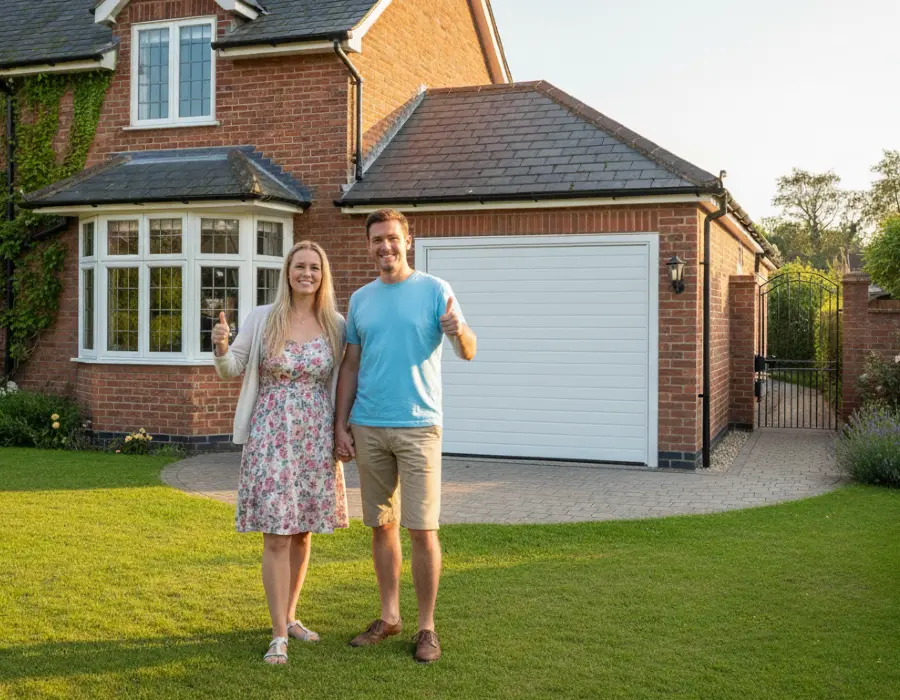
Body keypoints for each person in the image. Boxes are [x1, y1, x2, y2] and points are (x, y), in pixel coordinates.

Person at [334, 209, 477, 664]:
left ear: (407, 241)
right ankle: (389, 616)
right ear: (369, 245)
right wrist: (341, 424)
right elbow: (350, 366)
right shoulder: (360, 300)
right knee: (381, 526)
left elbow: (469, 351)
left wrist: (460, 332)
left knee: (423, 529)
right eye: (377, 240)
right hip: (369, 425)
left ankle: (427, 628)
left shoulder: (436, 291)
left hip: (419, 426)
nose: (385, 247)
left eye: (392, 238)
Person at [213, 241, 348, 665]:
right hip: (271, 434)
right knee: (275, 534)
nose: (306, 273)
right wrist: (219, 346)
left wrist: (345, 430)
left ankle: (290, 617)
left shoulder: (335, 324)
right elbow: (232, 367)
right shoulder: (263, 318)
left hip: (314, 436)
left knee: (303, 531)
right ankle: (277, 635)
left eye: (314, 267)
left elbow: (346, 379)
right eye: (298, 266)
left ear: (322, 274)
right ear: (287, 272)